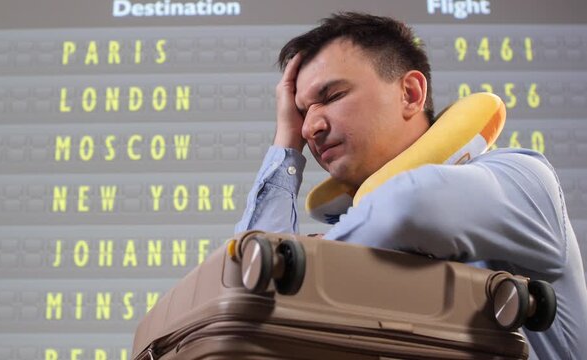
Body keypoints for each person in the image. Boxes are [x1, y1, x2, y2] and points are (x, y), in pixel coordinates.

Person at [234, 12, 587, 359]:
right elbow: (244, 293)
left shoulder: (524, 179)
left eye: (331, 97)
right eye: (301, 112)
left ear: (411, 93)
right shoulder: (358, 230)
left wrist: (314, 257)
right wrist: (285, 144)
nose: (311, 127)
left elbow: (411, 206)